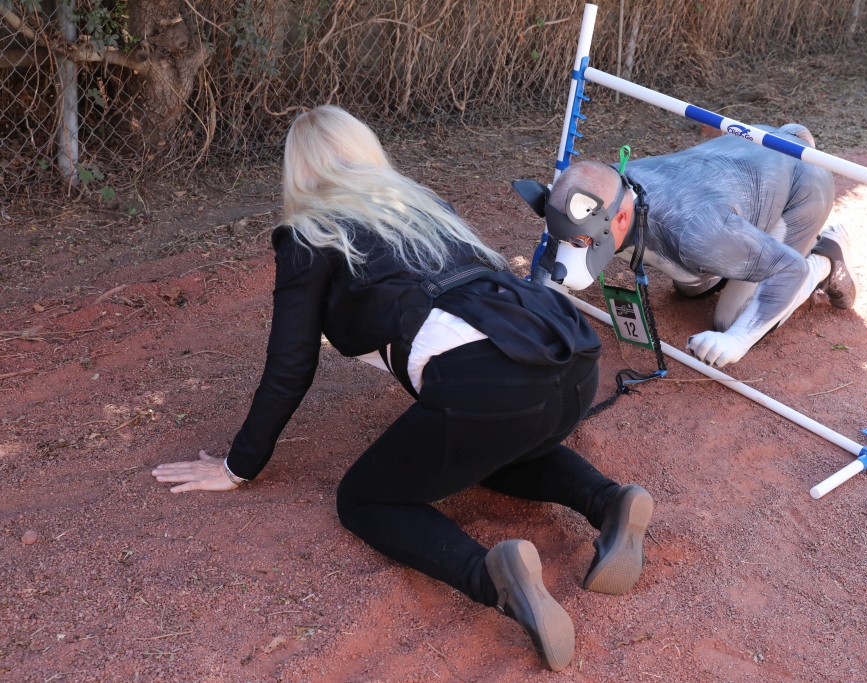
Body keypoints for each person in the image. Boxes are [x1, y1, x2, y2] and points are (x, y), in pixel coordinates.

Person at [150, 105, 654, 672]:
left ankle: (492, 578)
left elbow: (290, 363)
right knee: (492, 445)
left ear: (298, 173)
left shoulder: (308, 234)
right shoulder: (422, 204)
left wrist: (239, 465)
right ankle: (609, 501)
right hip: (571, 355)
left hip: (492, 386)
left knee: (363, 499)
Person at [525, 123, 859, 368]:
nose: (566, 254)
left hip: (799, 182)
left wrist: (737, 339)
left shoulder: (695, 231)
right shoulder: (598, 189)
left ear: (621, 218)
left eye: (579, 242)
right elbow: (555, 256)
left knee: (733, 319)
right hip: (736, 168)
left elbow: (788, 269)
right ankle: (739, 253)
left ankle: (827, 259)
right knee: (689, 285)